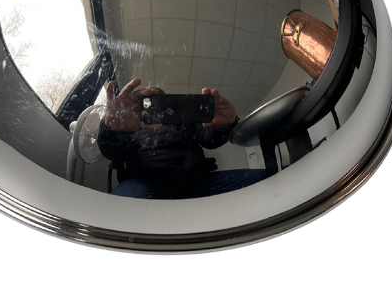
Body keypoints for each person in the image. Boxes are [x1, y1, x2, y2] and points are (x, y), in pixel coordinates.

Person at [97, 78, 268, 199]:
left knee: (264, 180)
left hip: (199, 182)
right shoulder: (131, 127)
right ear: (143, 105)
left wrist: (225, 125)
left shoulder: (186, 118)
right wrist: (111, 127)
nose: (158, 106)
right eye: (152, 102)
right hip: (146, 184)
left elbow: (209, 140)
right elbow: (112, 152)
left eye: (163, 101)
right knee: (122, 207)